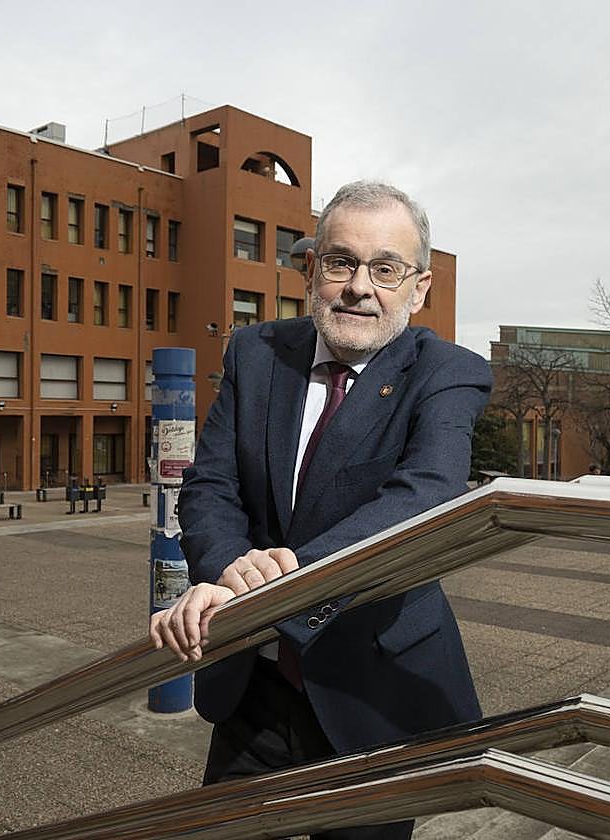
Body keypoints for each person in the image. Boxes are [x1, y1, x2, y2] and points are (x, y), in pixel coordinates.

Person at [150, 181, 493, 839]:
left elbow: (424, 498)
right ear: (314, 271)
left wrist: (278, 586)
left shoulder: (448, 373)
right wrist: (229, 571)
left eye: (385, 268)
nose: (360, 286)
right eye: (341, 262)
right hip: (254, 682)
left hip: (375, 693)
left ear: (418, 289)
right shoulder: (255, 355)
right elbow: (209, 488)